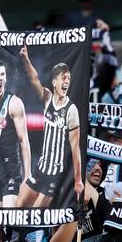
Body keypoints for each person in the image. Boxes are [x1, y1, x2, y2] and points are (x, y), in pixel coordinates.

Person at [17, 46, 83, 208]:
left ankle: (30, 233)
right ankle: (12, 234)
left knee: (35, 214)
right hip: (41, 169)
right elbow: (34, 78)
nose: (67, 81)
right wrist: (26, 60)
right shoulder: (47, 98)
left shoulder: (71, 110)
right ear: (55, 82)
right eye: (63, 78)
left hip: (55, 175)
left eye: (68, 78)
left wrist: (78, 180)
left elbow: (75, 149)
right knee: (17, 206)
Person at [0, 60, 31, 207]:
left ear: (6, 79)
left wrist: (27, 177)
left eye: (2, 74)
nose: (0, 78)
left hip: (12, 172)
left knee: (9, 220)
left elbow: (24, 141)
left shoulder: (14, 103)